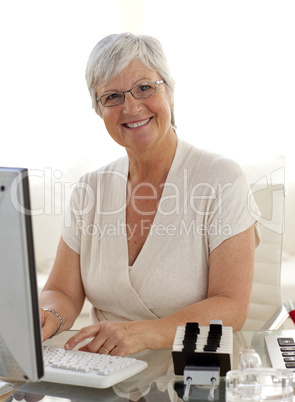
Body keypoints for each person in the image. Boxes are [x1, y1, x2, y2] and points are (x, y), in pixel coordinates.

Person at [40, 32, 260, 357]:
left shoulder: (221, 178)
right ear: (99, 110)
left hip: (189, 374)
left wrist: (144, 334)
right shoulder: (90, 189)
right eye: (112, 96)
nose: (130, 107)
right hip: (102, 372)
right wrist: (45, 316)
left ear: (170, 94)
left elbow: (231, 307)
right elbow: (62, 292)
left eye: (145, 88)